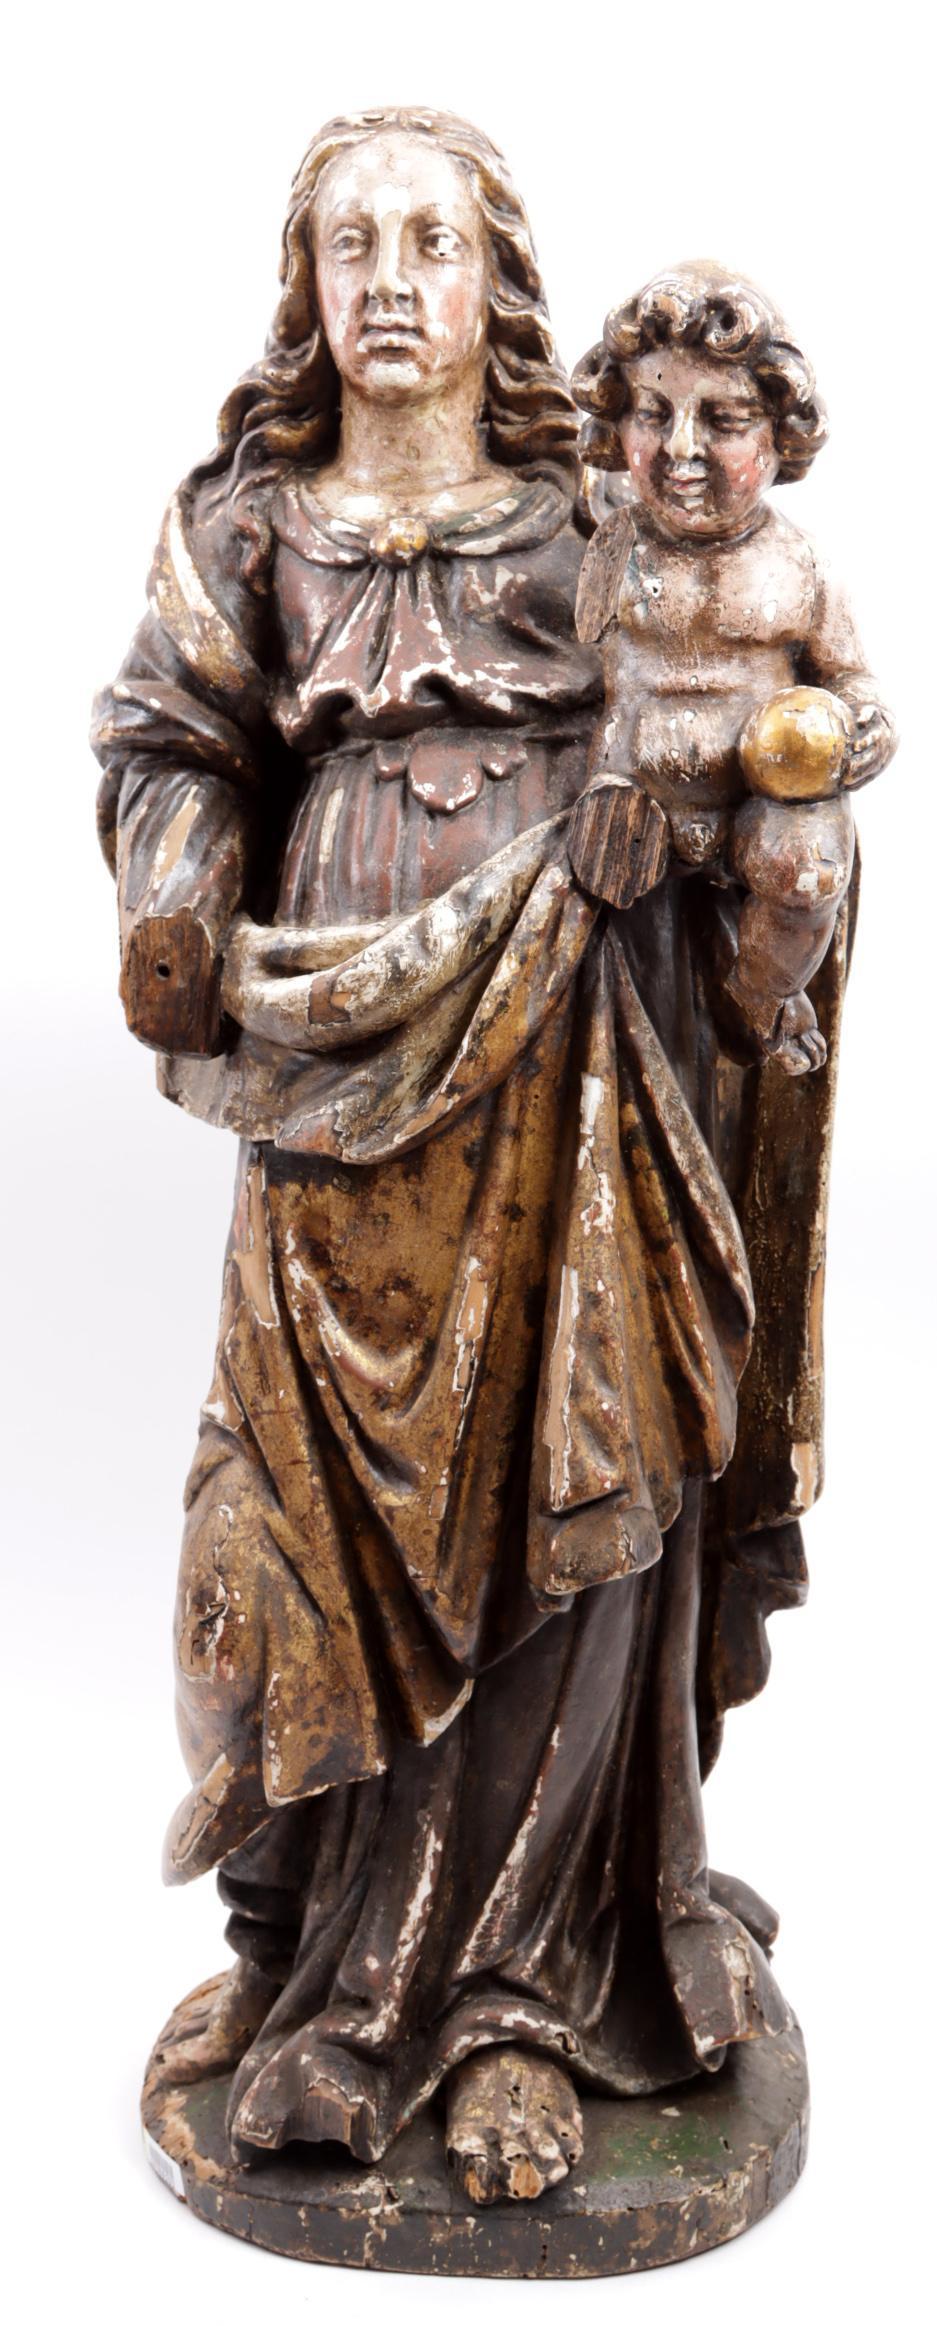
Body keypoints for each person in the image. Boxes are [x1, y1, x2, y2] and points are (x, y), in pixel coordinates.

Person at [93, 114, 834, 2206]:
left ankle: (516, 1996)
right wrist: (175, 889)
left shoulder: (594, 514)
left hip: (580, 1051)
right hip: (333, 1064)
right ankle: (314, 1961)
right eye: (353, 243)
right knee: (300, 1508)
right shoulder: (246, 521)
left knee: (572, 1498)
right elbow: (170, 741)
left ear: (493, 278)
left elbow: (766, 709)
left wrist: (747, 832)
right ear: (308, 286)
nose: (392, 279)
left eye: (431, 238)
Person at [569, 262, 896, 1073]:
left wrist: (867, 728)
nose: (681, 448)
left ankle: (760, 993)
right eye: (652, 414)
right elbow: (581, 683)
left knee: (808, 871)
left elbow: (850, 679)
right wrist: (602, 780)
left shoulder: (798, 566)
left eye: (723, 420)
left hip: (760, 807)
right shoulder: (615, 546)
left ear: (780, 437)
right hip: (637, 803)